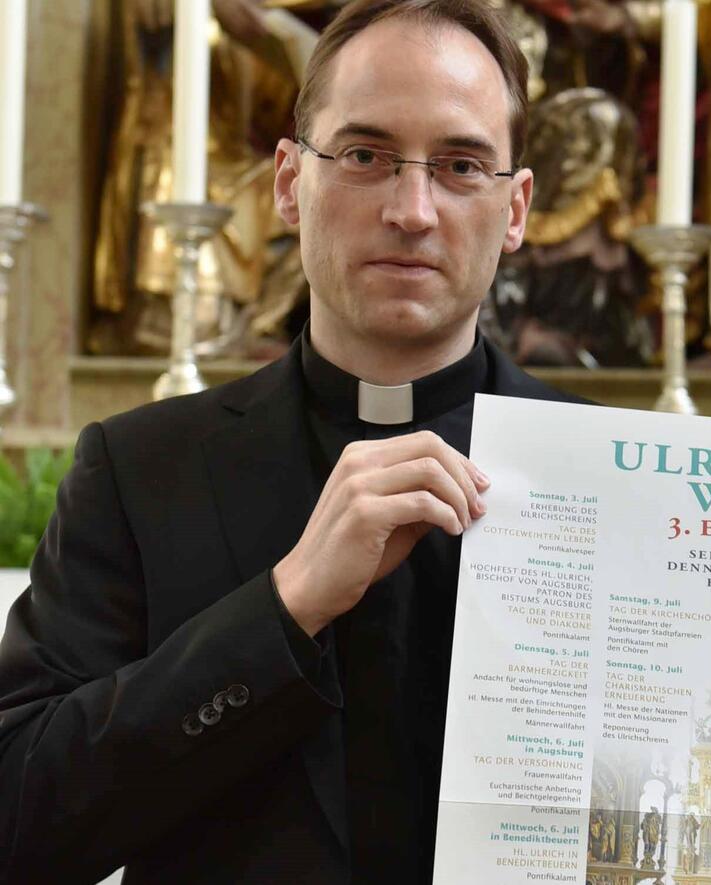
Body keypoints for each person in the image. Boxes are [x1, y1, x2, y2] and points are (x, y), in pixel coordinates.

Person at [0, 0, 579, 881]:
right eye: (363, 155)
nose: (412, 210)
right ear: (285, 181)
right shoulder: (138, 469)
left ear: (516, 208)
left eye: (461, 165)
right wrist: (284, 604)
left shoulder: (609, 477)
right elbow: (17, 823)